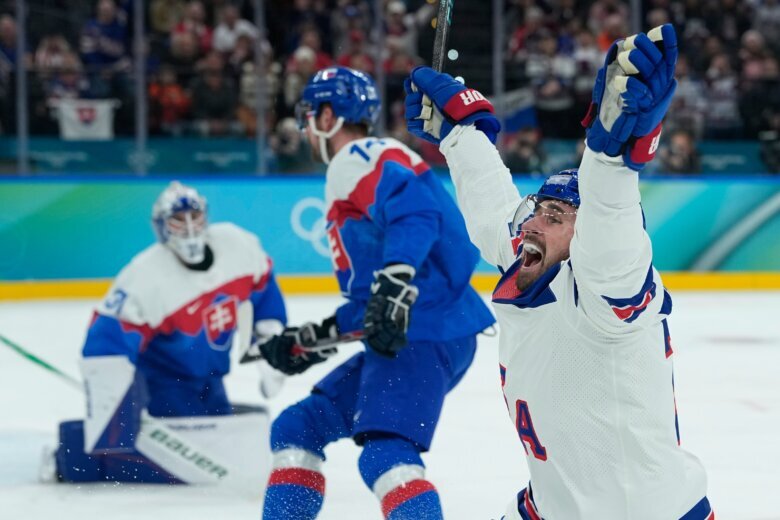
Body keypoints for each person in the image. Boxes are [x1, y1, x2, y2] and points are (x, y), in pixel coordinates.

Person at [404, 25, 713, 519]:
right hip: (552, 506)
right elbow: (493, 213)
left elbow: (612, 238)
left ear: (584, 238)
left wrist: (611, 163)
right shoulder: (536, 256)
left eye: (555, 216)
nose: (533, 223)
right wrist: (459, 135)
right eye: (538, 209)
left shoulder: (605, 297)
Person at [256, 67, 495, 519]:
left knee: (386, 454)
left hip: (424, 331)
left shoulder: (357, 157)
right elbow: (376, 306)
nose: (307, 126)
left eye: (311, 115)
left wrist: (395, 282)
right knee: (299, 427)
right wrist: (311, 339)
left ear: (328, 116)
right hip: (422, 329)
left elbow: (416, 214)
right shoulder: (367, 163)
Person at [53, 181, 287, 485]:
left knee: (223, 445)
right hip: (164, 384)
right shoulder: (145, 277)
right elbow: (106, 340)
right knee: (193, 467)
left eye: (195, 217)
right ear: (162, 227)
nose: (189, 227)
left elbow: (264, 289)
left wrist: (269, 345)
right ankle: (67, 459)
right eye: (177, 220)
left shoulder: (237, 245)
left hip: (212, 379)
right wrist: (117, 406)